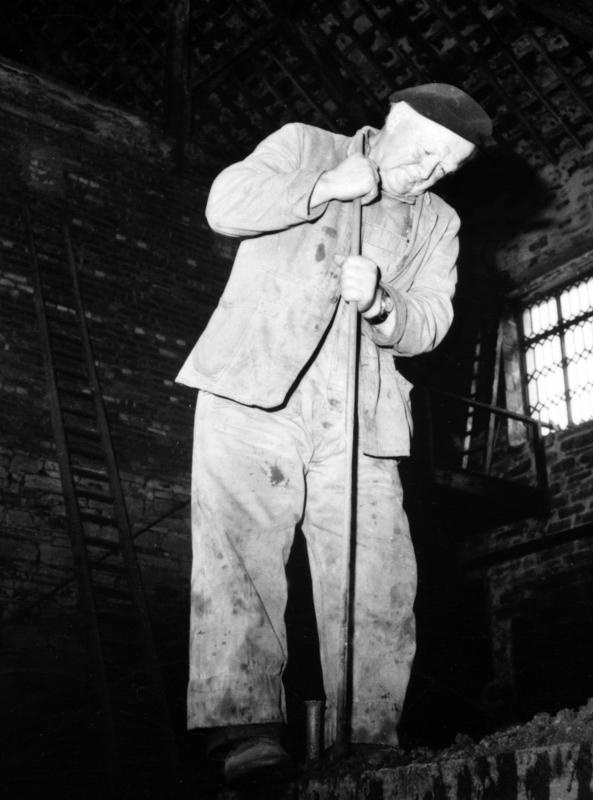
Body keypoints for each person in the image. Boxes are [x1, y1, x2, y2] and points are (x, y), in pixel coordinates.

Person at [175, 83, 492, 786]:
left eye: (449, 165)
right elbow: (224, 206)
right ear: (392, 124)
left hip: (360, 414)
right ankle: (246, 732)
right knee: (239, 562)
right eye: (427, 154)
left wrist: (381, 302)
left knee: (377, 576)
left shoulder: (438, 221)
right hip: (255, 387)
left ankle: (367, 740)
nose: (432, 172)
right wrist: (322, 187)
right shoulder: (305, 145)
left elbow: (431, 322)